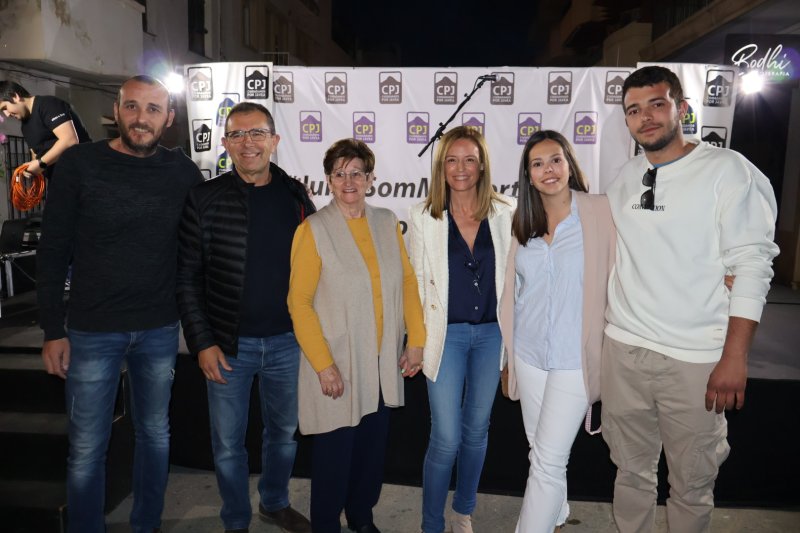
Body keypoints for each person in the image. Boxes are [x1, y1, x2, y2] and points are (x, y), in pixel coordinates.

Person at [603, 65, 779, 532]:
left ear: (681, 108)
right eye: (634, 110)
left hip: (695, 359)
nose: (646, 117)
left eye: (657, 104)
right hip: (624, 351)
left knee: (692, 483)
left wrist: (734, 356)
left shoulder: (728, 171)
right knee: (630, 473)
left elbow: (753, 265)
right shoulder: (624, 178)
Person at [36, 75, 203, 533]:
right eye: (132, 107)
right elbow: (53, 250)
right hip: (91, 329)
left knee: (155, 435)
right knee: (87, 448)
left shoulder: (183, 172)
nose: (141, 118)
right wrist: (52, 329)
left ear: (169, 118)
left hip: (159, 328)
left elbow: (200, 248)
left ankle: (146, 524)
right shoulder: (79, 164)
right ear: (116, 111)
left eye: (153, 109)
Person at [176, 101, 314, 533]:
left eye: (257, 133)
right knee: (227, 445)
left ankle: (274, 502)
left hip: (288, 342)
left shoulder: (296, 196)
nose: (247, 142)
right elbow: (186, 278)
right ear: (225, 143)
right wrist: (202, 342)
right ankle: (235, 519)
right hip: (226, 346)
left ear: (274, 140)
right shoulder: (204, 198)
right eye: (237, 134)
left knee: (283, 435)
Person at [287, 138, 426, 533]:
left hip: (382, 363)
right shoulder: (313, 230)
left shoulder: (385, 221)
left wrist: (416, 339)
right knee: (335, 458)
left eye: (356, 173)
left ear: (370, 178)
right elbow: (299, 303)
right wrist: (323, 365)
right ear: (328, 180)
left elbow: (408, 281)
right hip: (338, 364)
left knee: (370, 453)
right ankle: (326, 525)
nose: (348, 181)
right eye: (339, 174)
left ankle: (362, 518)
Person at [498, 130, 615, 532]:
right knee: (539, 450)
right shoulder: (522, 221)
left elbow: (641, 255)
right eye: (537, 163)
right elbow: (515, 295)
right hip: (529, 354)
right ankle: (558, 514)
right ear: (528, 175)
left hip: (574, 358)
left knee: (548, 460)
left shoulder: (600, 212)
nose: (548, 169)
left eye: (555, 160)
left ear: (569, 164)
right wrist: (508, 359)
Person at [408, 126, 515, 533]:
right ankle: (431, 523)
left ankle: (463, 511)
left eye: (470, 159)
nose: (461, 168)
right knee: (446, 437)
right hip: (446, 337)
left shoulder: (506, 211)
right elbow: (417, 285)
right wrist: (415, 341)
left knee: (476, 431)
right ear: (441, 167)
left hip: (492, 336)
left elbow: (518, 281)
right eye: (451, 160)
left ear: (482, 164)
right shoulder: (423, 216)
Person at [0, 80, 91, 179]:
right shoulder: (25, 126)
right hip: (60, 181)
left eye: (5, 108)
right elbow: (36, 155)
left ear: (15, 96)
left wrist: (41, 164)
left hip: (84, 174)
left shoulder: (48, 104)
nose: (6, 114)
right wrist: (31, 168)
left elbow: (69, 140)